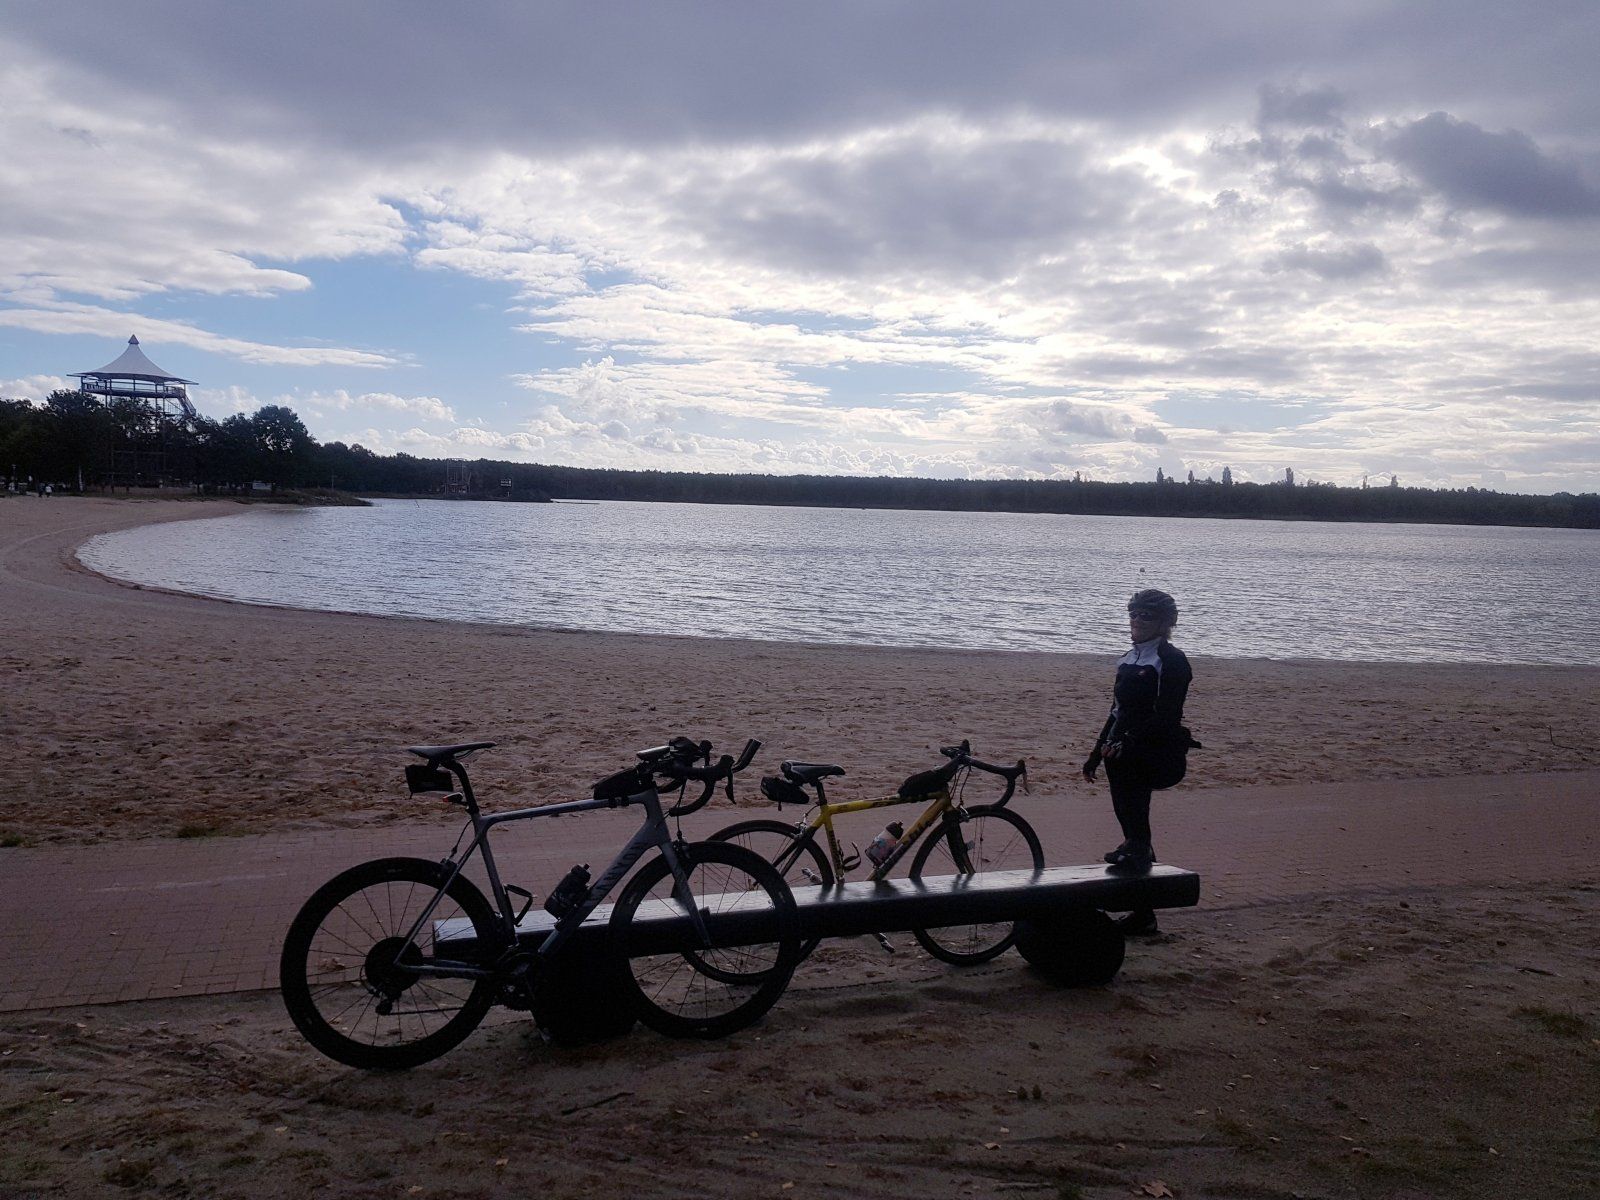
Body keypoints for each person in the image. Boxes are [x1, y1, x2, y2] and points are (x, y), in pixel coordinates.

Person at [1081, 588, 1194, 935]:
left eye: (1146, 616)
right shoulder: (1129, 658)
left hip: (1152, 751)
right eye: (1133, 613)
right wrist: (1095, 752)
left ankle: (1144, 906)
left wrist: (1128, 741)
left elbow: (1167, 717)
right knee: (1133, 828)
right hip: (1120, 752)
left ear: (1165, 623)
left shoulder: (1171, 661)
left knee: (1138, 831)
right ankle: (1144, 912)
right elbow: (1116, 711)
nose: (1137, 621)